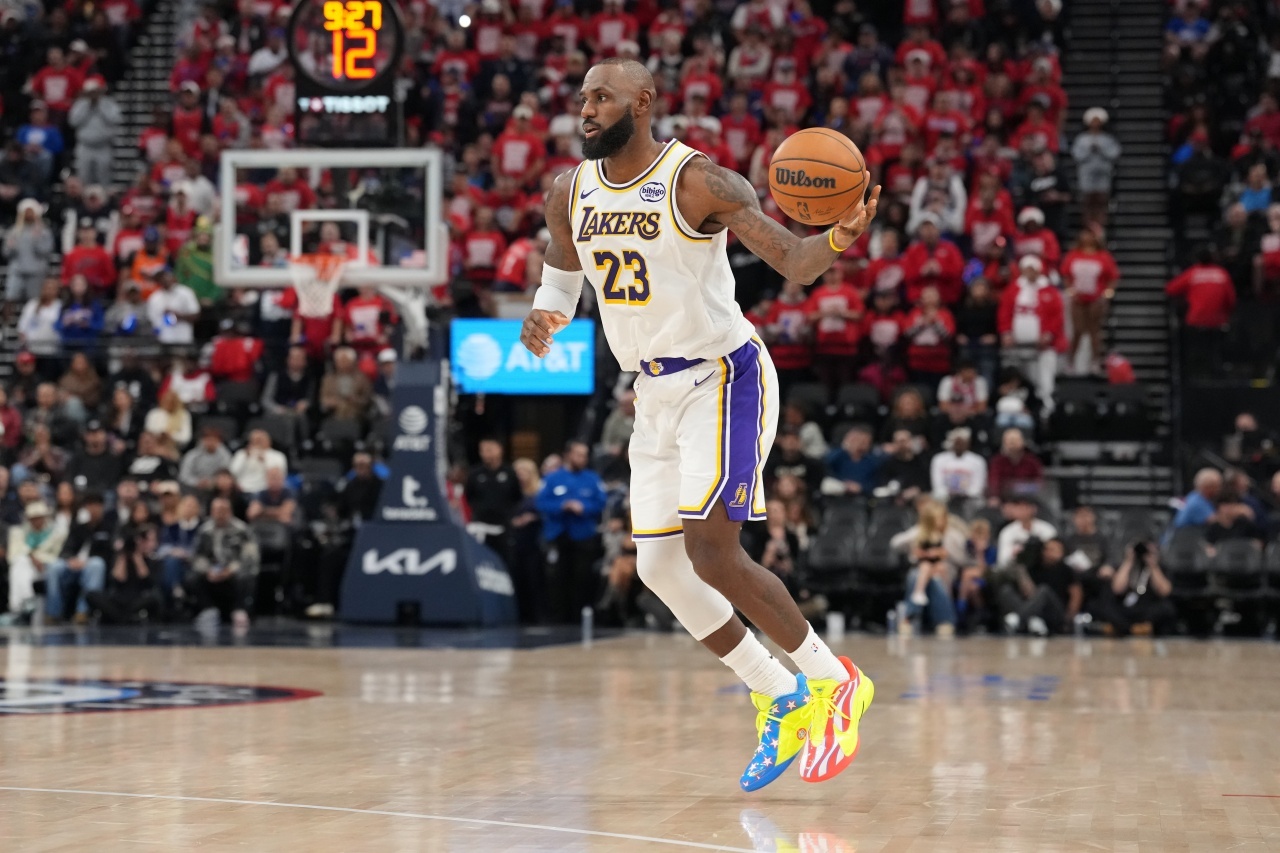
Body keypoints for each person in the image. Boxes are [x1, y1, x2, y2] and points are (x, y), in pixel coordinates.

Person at [520, 58, 878, 790]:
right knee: (658, 567)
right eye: (583, 97)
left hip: (723, 375)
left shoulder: (699, 181)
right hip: (651, 391)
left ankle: (832, 680)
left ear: (643, 103)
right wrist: (546, 313)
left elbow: (795, 262)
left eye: (602, 97)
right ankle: (776, 693)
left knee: (711, 551)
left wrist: (839, 237)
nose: (586, 109)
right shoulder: (569, 190)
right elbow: (564, 267)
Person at [535, 440, 607, 624]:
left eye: (584, 455)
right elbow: (541, 503)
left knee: (582, 577)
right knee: (556, 577)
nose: (582, 458)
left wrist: (583, 507)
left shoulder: (592, 479)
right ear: (568, 455)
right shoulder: (552, 479)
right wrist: (562, 505)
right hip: (558, 534)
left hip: (583, 535)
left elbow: (601, 502)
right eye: (578, 454)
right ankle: (558, 619)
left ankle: (579, 617)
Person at [890, 498, 964, 635]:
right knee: (917, 575)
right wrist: (915, 550)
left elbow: (962, 559)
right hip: (923, 568)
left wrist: (944, 553)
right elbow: (895, 543)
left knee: (936, 577)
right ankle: (911, 618)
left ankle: (943, 621)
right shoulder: (920, 531)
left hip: (945, 569)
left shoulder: (953, 534)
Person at [191, 496, 260, 630]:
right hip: (212, 570)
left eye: (223, 510)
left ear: (230, 511)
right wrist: (208, 570)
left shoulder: (242, 530)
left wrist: (230, 570)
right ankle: (208, 609)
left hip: (234, 569)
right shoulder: (204, 531)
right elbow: (197, 556)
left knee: (247, 575)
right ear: (211, 512)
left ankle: (240, 610)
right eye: (217, 510)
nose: (220, 514)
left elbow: (250, 557)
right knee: (193, 576)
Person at [44, 492, 112, 623]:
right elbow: (66, 549)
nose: (94, 509)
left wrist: (86, 562)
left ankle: (83, 611)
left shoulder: (109, 528)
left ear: (102, 507)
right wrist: (71, 559)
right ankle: (53, 613)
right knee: (54, 567)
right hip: (74, 565)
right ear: (86, 508)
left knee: (97, 564)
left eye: (97, 505)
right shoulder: (78, 528)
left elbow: (109, 555)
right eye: (90, 505)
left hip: (92, 566)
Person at [1061, 228, 1120, 373]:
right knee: (1078, 330)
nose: (1087, 237)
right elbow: (1066, 275)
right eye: (1085, 234)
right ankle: (1071, 361)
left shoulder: (1103, 256)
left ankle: (1095, 361)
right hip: (1078, 299)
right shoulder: (1073, 255)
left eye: (1090, 235)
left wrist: (1106, 294)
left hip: (1096, 300)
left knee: (1095, 331)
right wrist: (1071, 291)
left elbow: (1113, 277)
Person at [997, 536, 1081, 635]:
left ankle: (1019, 618)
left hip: (1056, 610)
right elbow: (1029, 592)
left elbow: (1076, 594)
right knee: (1006, 590)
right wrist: (1020, 568)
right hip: (1036, 607)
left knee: (1044, 590)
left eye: (1053, 550)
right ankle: (1031, 620)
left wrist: (1069, 618)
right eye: (1046, 549)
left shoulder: (1066, 570)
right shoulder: (1035, 567)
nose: (1048, 552)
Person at [465, 438, 524, 564]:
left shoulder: (509, 473)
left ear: (499, 450)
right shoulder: (475, 473)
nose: (485, 454)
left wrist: (511, 517)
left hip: (504, 528)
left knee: (505, 561)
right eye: (482, 450)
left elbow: (517, 497)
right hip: (481, 527)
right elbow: (469, 496)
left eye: (489, 450)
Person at [5, 501, 67, 621]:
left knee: (20, 567)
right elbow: (12, 556)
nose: (36, 521)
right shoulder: (18, 533)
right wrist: (31, 557)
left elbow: (58, 555)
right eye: (33, 518)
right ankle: (26, 601)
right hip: (27, 567)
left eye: (39, 517)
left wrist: (40, 560)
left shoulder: (57, 534)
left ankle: (17, 608)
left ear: (45, 517)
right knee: (20, 564)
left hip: (47, 567)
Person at [1070, 107, 1121, 231]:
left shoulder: (1108, 139)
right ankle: (1088, 228)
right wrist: (1089, 150)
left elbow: (1114, 153)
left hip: (1103, 175)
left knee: (1102, 202)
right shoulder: (1082, 139)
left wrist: (1101, 149)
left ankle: (1100, 228)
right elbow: (1076, 155)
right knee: (1087, 203)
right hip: (1086, 176)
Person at [821, 425, 884, 498]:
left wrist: (860, 487)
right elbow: (826, 465)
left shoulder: (872, 461)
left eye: (865, 441)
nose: (862, 444)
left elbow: (875, 483)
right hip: (837, 494)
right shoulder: (838, 456)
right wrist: (844, 448)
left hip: (862, 497)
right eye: (857, 440)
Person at [930, 427, 987, 504]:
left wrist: (964, 495)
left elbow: (977, 486)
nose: (959, 445)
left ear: (968, 443)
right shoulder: (939, 459)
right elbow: (937, 485)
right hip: (945, 499)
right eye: (957, 442)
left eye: (962, 442)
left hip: (969, 500)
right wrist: (948, 495)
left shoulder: (978, 461)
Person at [987, 427, 1044, 504]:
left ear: (1022, 442)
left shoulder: (1032, 461)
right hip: (1004, 499)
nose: (1012, 443)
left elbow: (1038, 481)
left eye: (1015, 440)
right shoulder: (997, 461)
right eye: (1009, 441)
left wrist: (1023, 488)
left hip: (1028, 499)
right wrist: (994, 496)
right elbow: (994, 481)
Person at [229, 429, 288, 494]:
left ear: (268, 441)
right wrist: (245, 458)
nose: (258, 443)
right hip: (243, 489)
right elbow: (232, 472)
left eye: (260, 440)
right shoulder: (241, 454)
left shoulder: (278, 455)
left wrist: (265, 461)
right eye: (255, 440)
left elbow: (279, 475)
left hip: (265, 490)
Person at [179, 426, 233, 491]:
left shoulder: (225, 456)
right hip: (193, 487)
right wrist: (197, 482)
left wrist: (212, 482)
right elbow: (184, 476)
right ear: (202, 440)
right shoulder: (192, 455)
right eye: (208, 440)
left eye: (214, 440)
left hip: (215, 488)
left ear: (219, 441)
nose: (211, 443)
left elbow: (226, 474)